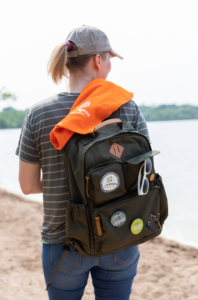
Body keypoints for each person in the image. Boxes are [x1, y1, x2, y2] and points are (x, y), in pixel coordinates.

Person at [16, 25, 151, 300]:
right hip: (119, 232)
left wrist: (70, 184)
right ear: (98, 60)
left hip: (62, 242)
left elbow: (28, 186)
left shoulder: (39, 114)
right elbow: (145, 174)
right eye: (110, 58)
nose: (110, 65)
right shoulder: (125, 107)